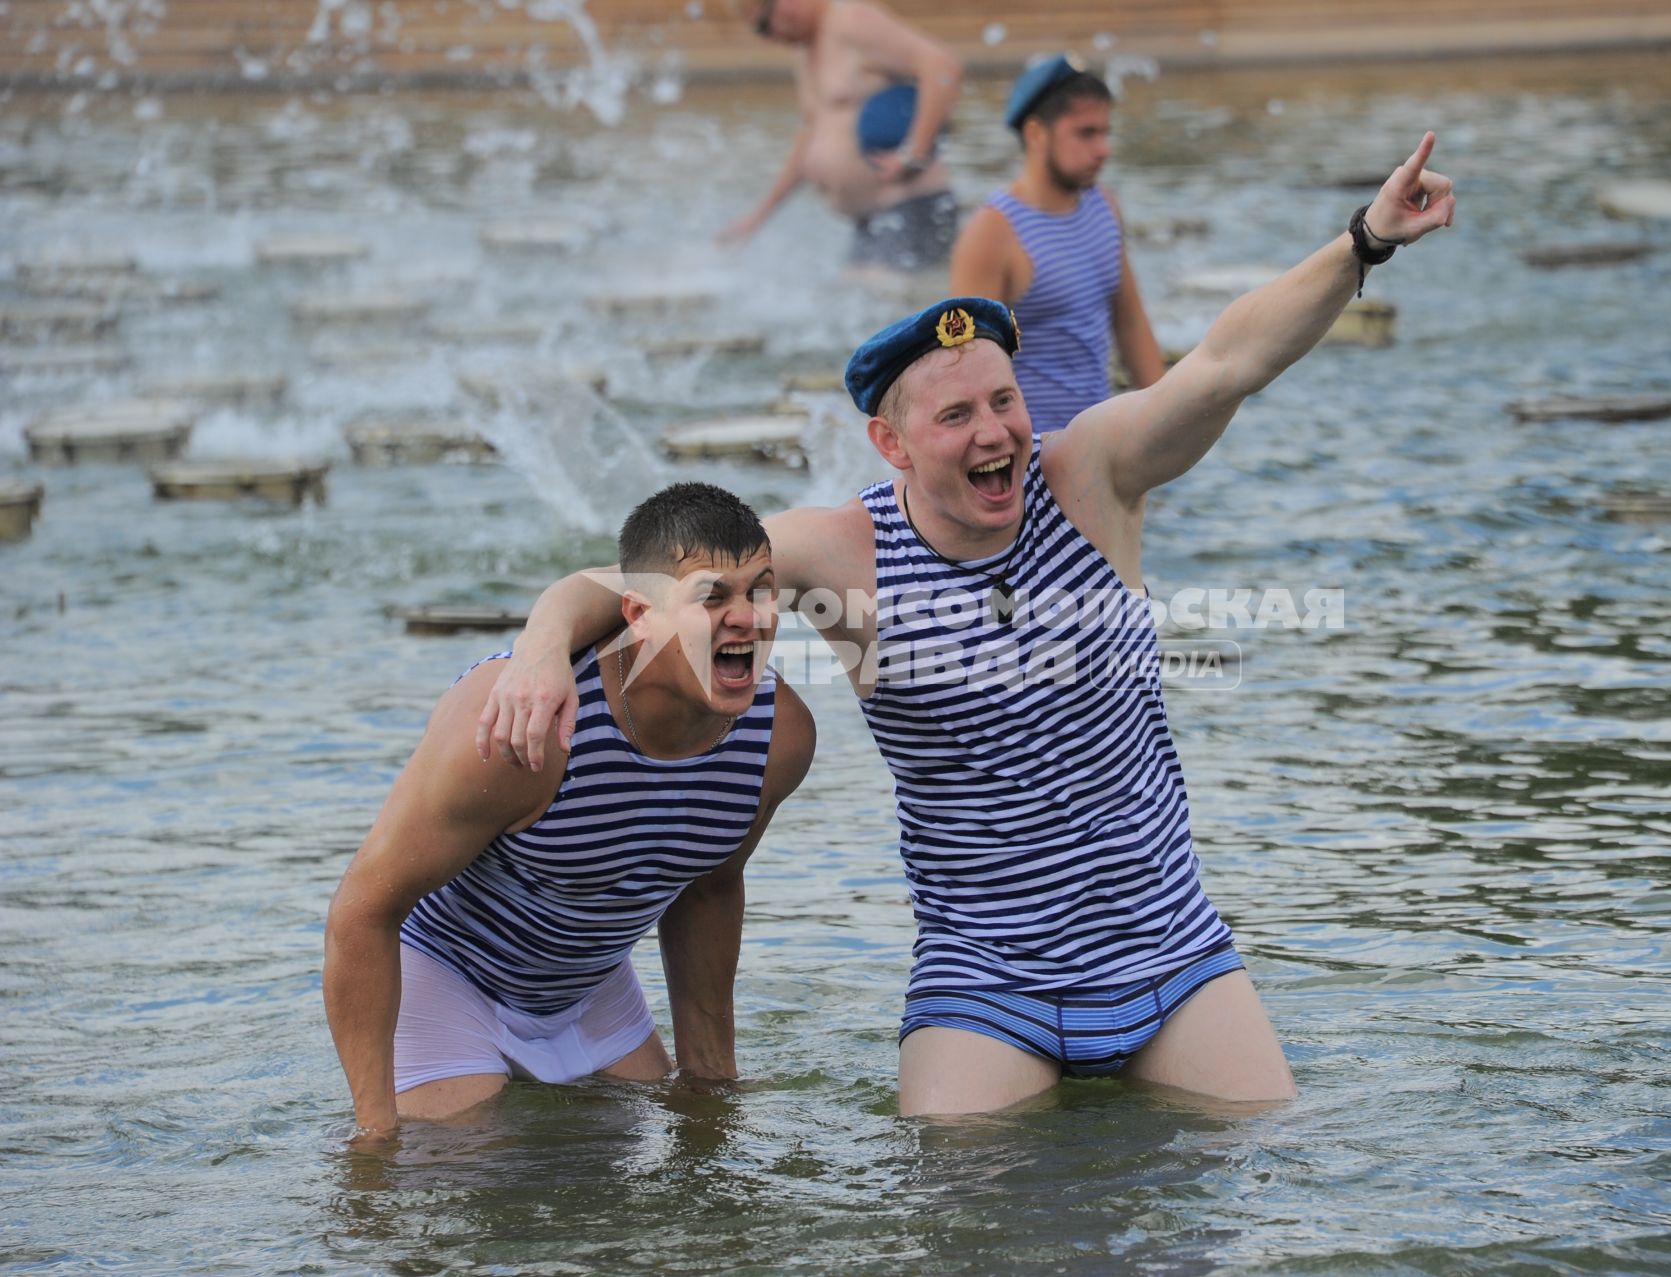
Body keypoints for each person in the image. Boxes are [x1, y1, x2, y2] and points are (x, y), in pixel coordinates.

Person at [482, 134, 1456, 1117]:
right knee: (958, 1221)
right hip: (986, 981)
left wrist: (1365, 239)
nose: (995, 433)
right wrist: (536, 650)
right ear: (891, 442)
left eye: (1005, 400)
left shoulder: (1093, 478)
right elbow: (630, 585)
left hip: (1169, 950)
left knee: (1267, 1151)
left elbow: (1227, 360)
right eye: (956, 417)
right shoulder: (838, 552)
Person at [324, 483, 816, 1143]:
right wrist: (373, 1139)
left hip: (587, 984)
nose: (747, 618)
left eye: (761, 590)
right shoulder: (525, 724)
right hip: (449, 975)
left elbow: (708, 885)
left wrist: (710, 1079)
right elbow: (363, 907)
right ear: (640, 614)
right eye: (711, 596)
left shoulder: (778, 737)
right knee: (454, 1178)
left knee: (636, 1181)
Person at [948, 54, 1164, 433]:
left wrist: (1169, 417)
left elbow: (1129, 321)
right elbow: (965, 369)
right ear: (1035, 134)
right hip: (1032, 457)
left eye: (1105, 132)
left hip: (1102, 442)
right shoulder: (992, 233)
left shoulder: (1105, 206)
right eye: (1086, 133)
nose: (1103, 149)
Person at [722, 0, 964, 274]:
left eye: (764, 27)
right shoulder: (806, 51)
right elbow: (812, 136)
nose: (770, 39)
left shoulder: (851, 20)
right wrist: (757, 217)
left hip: (910, 207)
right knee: (855, 300)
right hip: (870, 218)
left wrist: (914, 154)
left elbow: (943, 66)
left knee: (893, 305)